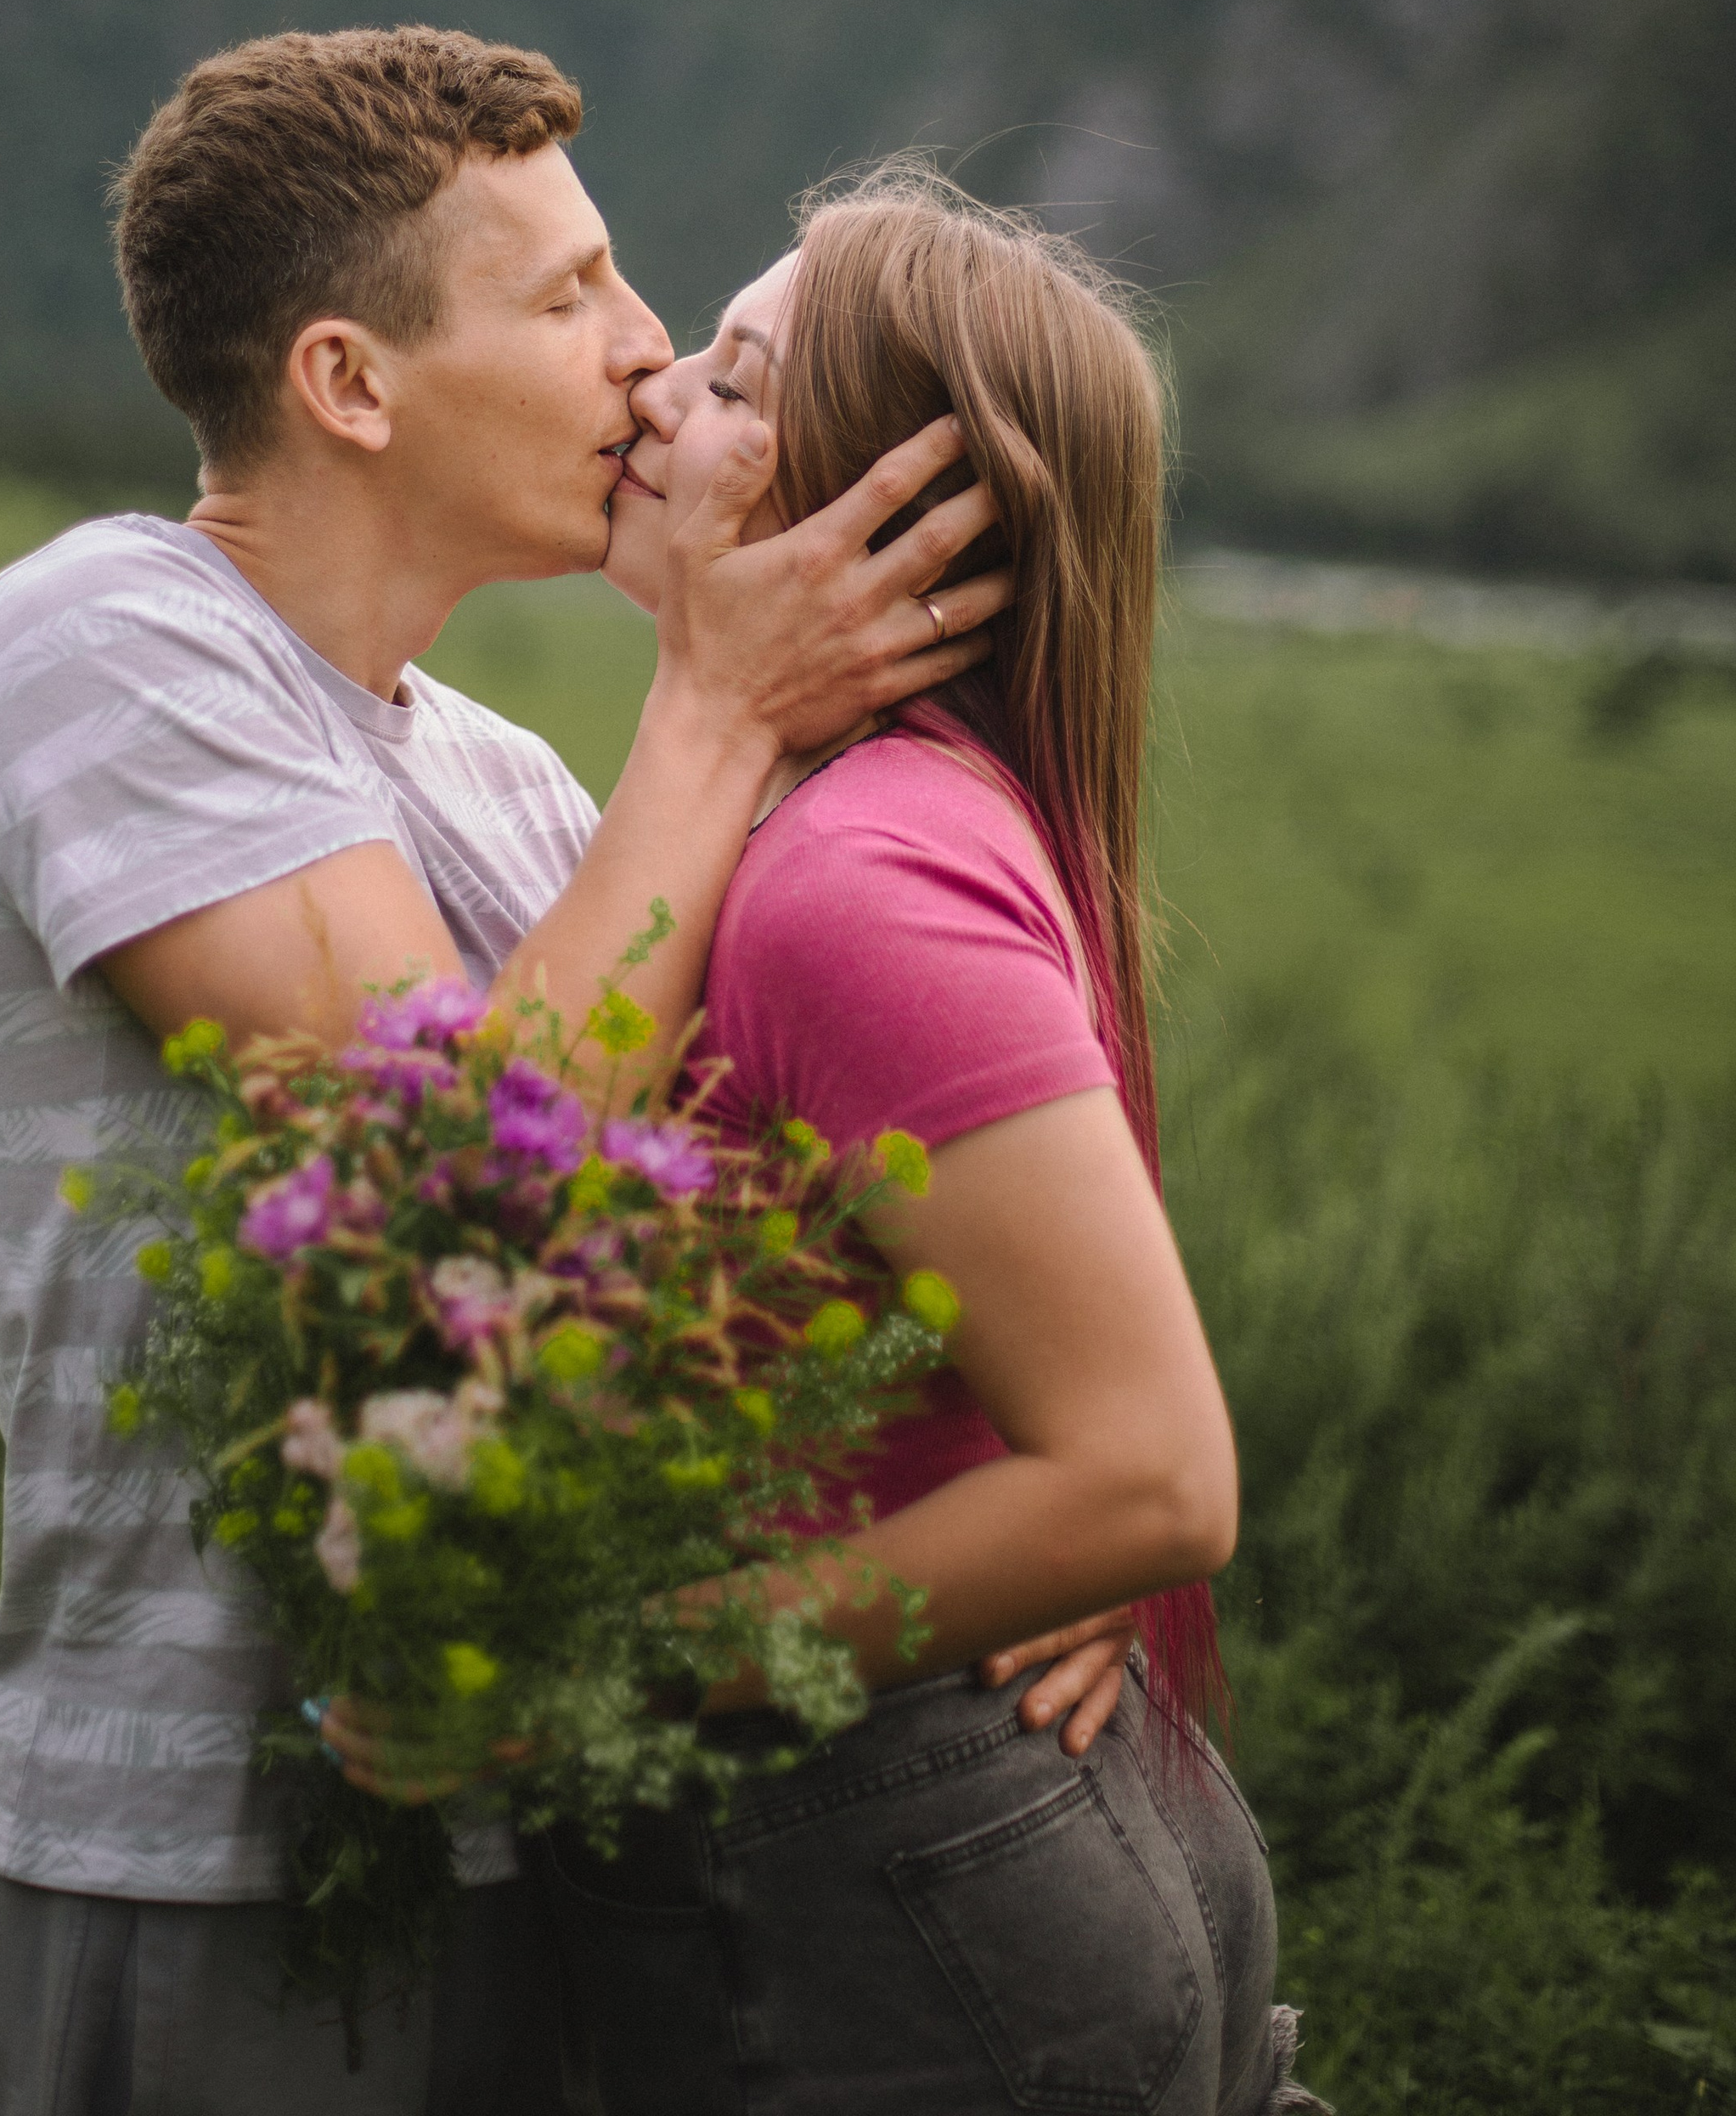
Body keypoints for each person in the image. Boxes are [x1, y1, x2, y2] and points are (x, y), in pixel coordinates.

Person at [0, 25, 1087, 2116]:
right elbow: (448, 1170)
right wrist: (719, 707)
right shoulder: (98, 636)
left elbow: (707, 1266)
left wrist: (1024, 1547)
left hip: (544, 1834)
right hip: (187, 1864)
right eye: (568, 298)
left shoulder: (508, 779)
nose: (645, 357)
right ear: (349, 385)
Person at [509, 167, 1325, 2116]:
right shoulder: (845, 830)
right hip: (963, 1836)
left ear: (897, 512)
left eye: (731, 379)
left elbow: (1145, 1467)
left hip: (898, 1881)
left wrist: (605, 1673)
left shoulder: (852, 879)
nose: (647, 397)